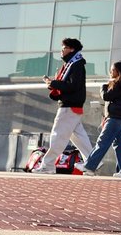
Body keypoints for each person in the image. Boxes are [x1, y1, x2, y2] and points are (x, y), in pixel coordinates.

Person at [34, 37, 94, 174]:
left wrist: (54, 83)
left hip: (69, 106)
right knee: (79, 137)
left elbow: (72, 86)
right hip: (73, 106)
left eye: (64, 48)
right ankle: (93, 162)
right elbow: (70, 86)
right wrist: (53, 84)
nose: (61, 50)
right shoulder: (73, 64)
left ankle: (47, 165)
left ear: (72, 49)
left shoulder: (76, 65)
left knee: (57, 135)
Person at [80, 60, 121, 177]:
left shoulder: (118, 84)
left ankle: (90, 166)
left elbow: (106, 96)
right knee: (119, 144)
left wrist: (103, 87)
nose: (110, 72)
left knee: (103, 141)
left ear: (119, 72)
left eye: (113, 70)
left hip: (115, 118)